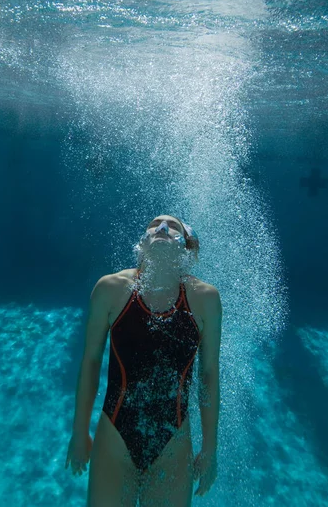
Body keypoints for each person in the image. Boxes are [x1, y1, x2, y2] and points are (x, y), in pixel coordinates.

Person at [65, 214, 222, 507]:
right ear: (142, 243)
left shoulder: (205, 299)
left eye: (172, 225)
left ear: (187, 248)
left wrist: (210, 448)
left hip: (173, 444)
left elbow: (209, 374)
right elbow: (90, 361)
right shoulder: (111, 289)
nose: (161, 227)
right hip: (114, 438)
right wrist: (79, 431)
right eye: (154, 224)